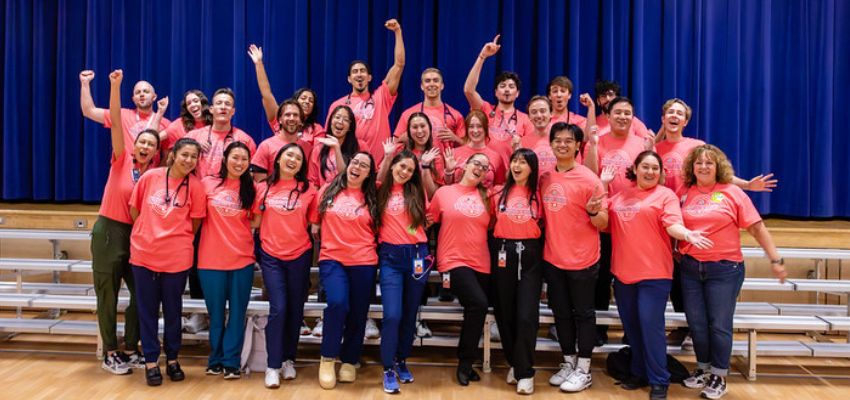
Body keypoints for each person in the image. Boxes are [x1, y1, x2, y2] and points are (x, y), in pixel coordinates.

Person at [653, 99, 777, 348]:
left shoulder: (696, 146)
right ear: (663, 118)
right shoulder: (655, 150)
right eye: (670, 112)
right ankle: (679, 324)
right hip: (663, 216)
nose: (674, 116)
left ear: (685, 121)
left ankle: (685, 327)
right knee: (669, 272)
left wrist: (746, 185)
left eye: (680, 113)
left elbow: (718, 172)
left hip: (692, 214)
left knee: (683, 270)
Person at [678, 144, 787, 400]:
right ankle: (703, 369)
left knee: (719, 325)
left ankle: (719, 375)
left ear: (719, 167)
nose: (703, 167)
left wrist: (775, 260)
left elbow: (757, 228)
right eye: (699, 163)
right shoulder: (685, 192)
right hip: (691, 268)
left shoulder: (732, 193)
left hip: (724, 269)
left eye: (709, 163)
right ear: (692, 167)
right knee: (697, 324)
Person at [604, 151, 712, 400]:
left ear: (661, 173)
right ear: (636, 169)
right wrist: (601, 188)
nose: (650, 172)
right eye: (646, 167)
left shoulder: (666, 196)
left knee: (651, 327)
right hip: (622, 274)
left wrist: (686, 234)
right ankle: (638, 372)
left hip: (654, 274)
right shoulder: (620, 196)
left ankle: (659, 380)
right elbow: (601, 221)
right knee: (632, 329)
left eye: (655, 168)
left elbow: (671, 224)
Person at [91, 69, 160, 375]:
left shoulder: (153, 175)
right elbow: (117, 120)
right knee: (108, 296)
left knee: (141, 294)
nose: (144, 147)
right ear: (134, 145)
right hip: (109, 231)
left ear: (156, 152)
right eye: (141, 143)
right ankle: (109, 351)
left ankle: (131, 346)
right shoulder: (121, 158)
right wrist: (115, 86)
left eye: (151, 145)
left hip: (137, 236)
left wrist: (159, 117)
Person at [128, 137, 207, 386]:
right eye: (185, 154)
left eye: (194, 157)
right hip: (144, 254)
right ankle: (151, 361)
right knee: (147, 311)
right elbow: (135, 209)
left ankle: (172, 359)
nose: (189, 160)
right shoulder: (151, 177)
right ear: (173, 154)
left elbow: (194, 224)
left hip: (176, 258)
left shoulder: (195, 186)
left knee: (173, 313)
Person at [538, 123, 608, 393]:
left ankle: (584, 369)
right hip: (553, 259)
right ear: (551, 144)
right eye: (558, 140)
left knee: (584, 315)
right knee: (561, 315)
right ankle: (568, 362)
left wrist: (592, 212)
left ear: (579, 146)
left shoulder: (589, 179)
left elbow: (602, 222)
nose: (563, 145)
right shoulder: (545, 178)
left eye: (569, 141)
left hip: (583, 261)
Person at [254, 143, 319, 388]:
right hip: (271, 256)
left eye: (299, 158)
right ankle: (273, 365)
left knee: (295, 310)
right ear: (279, 159)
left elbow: (313, 225)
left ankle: (289, 359)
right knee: (278, 308)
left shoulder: (309, 190)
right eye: (289, 155)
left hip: (300, 255)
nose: (293, 160)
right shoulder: (263, 188)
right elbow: (256, 223)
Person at [584, 96, 648, 345]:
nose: (623, 117)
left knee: (627, 278)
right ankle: (599, 330)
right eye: (618, 112)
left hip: (631, 222)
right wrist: (592, 146)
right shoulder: (598, 140)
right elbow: (589, 174)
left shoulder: (642, 143)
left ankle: (632, 333)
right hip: (603, 220)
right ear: (607, 117)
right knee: (600, 279)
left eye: (627, 113)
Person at [314, 152, 380, 389]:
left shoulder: (373, 196)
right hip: (333, 259)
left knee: (358, 312)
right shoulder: (327, 190)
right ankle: (328, 358)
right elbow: (314, 224)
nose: (358, 167)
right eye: (355, 162)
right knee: (338, 303)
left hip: (364, 261)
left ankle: (350, 360)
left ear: (369, 173)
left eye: (364, 165)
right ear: (347, 165)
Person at [428, 153, 492, 386]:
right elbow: (427, 221)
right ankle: (465, 364)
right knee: (478, 304)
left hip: (482, 263)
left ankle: (468, 363)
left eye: (485, 167)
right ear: (465, 165)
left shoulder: (487, 197)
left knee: (474, 311)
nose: (480, 168)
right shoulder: (444, 193)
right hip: (453, 260)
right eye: (476, 163)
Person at [197, 141, 258, 380]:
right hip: (210, 260)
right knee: (216, 313)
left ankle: (231, 362)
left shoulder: (252, 188)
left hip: (241, 259)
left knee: (236, 313)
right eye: (235, 158)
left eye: (244, 159)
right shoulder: (207, 183)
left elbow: (256, 221)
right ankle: (215, 359)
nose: (239, 163)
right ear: (225, 159)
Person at [375, 150, 431, 393]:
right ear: (394, 165)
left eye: (410, 170)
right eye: (402, 167)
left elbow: (425, 220)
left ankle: (401, 360)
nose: (405, 172)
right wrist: (386, 157)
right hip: (390, 257)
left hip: (417, 254)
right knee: (392, 315)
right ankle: (387, 367)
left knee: (410, 314)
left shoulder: (416, 191)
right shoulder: (379, 188)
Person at [488, 148, 543, 394]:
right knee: (505, 312)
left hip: (530, 256)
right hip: (502, 253)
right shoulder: (498, 192)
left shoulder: (539, 195)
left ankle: (526, 372)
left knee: (526, 316)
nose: (517, 165)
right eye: (514, 160)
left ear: (532, 167)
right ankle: (515, 362)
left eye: (523, 161)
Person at [325, 19, 405, 164]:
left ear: (369, 77)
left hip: (378, 168)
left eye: (363, 71)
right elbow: (329, 139)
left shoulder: (382, 97)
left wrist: (398, 32)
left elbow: (399, 65)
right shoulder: (338, 106)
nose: (359, 74)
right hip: (348, 169)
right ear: (349, 79)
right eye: (355, 72)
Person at [464, 35, 533, 157]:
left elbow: (529, 153)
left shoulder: (526, 120)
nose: (507, 90)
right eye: (503, 86)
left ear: (517, 94)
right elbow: (469, 90)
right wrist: (482, 56)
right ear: (496, 92)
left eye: (511, 87)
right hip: (484, 171)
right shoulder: (485, 110)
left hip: (511, 173)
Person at [80, 70, 171, 155]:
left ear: (154, 97)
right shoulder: (122, 115)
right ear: (133, 99)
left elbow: (167, 154)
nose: (142, 94)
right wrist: (85, 83)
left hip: (150, 170)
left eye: (146, 91)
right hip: (124, 169)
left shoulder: (165, 123)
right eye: (138, 92)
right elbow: (89, 111)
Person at [247, 44, 324, 144]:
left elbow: (317, 156)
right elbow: (266, 94)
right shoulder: (281, 117)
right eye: (303, 98)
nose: (307, 102)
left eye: (311, 100)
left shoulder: (317, 129)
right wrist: (258, 63)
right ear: (295, 101)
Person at [185, 88, 257, 179]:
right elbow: (175, 162)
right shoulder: (193, 137)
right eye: (219, 103)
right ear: (211, 109)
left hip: (231, 191)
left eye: (227, 104)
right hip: (198, 190)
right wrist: (193, 148)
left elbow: (252, 174)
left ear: (233, 111)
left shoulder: (245, 140)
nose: (223, 107)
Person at [517, 95, 596, 174]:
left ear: (551, 113)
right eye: (534, 112)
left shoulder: (566, 139)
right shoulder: (522, 143)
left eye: (543, 111)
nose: (539, 115)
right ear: (529, 117)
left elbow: (576, 169)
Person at [393, 68, 465, 149]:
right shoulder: (408, 114)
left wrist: (455, 138)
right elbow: (395, 144)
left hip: (446, 161)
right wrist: (406, 138)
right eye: (427, 81)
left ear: (442, 86)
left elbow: (467, 147)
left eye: (436, 80)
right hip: (417, 161)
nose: (431, 84)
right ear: (422, 86)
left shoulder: (455, 115)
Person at [379, 112, 443, 197]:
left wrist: (425, 167)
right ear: (408, 131)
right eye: (415, 127)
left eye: (423, 126)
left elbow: (432, 195)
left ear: (430, 129)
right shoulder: (397, 149)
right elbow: (379, 181)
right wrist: (387, 157)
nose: (419, 131)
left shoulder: (436, 157)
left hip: (418, 205)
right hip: (393, 200)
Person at [250, 98, 314, 181]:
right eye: (287, 115)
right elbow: (260, 186)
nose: (291, 118)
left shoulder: (308, 148)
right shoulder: (266, 146)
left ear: (301, 121)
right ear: (279, 120)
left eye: (295, 115)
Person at [443, 110, 508, 188]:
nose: (475, 130)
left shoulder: (496, 157)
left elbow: (500, 187)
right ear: (466, 129)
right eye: (471, 127)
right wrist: (449, 172)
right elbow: (447, 187)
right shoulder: (453, 153)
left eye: (479, 126)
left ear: (486, 128)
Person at [308, 105, 361, 188]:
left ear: (350, 127)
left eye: (346, 120)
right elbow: (313, 182)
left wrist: (337, 148)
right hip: (324, 197)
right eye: (337, 117)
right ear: (330, 121)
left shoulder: (360, 146)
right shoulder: (318, 149)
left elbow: (346, 178)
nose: (340, 121)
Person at [160, 90, 213, 154]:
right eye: (189, 103)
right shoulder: (179, 124)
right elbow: (156, 138)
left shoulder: (214, 121)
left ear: (203, 103)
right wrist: (160, 112)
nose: (193, 105)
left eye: (196, 101)